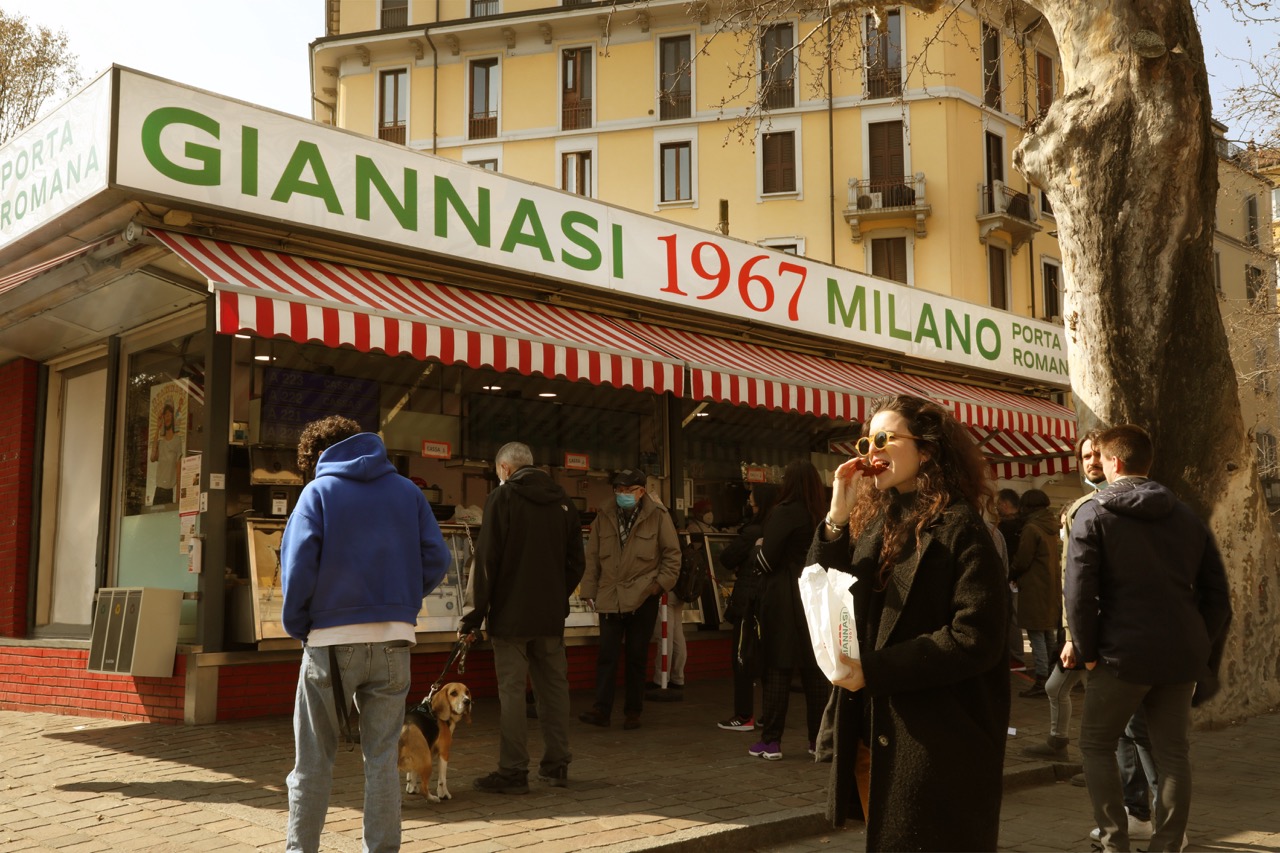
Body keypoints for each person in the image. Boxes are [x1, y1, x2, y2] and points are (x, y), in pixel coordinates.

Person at [812, 394, 1010, 851]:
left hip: (934, 737)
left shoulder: (961, 527)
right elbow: (826, 588)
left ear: (926, 449)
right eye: (866, 442)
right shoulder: (877, 519)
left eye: (884, 439)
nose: (871, 453)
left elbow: (976, 638)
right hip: (873, 728)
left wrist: (875, 671)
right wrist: (836, 519)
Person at [280, 416, 451, 853]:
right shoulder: (407, 492)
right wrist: (404, 600)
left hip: (330, 643)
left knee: (314, 762)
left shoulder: (317, 492)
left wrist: (299, 624)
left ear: (318, 455)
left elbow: (297, 567)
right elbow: (437, 556)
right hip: (395, 639)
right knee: (382, 760)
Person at [1065, 424, 1232, 853]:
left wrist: (1085, 651)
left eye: (1099, 458)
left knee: (1096, 743)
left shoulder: (1093, 512)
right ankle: (1167, 844)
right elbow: (1217, 596)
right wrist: (1199, 645)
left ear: (1114, 462)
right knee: (1173, 752)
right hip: (1179, 656)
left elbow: (1080, 592)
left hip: (1121, 654)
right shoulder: (1186, 515)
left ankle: (1114, 841)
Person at [459, 442, 585, 793]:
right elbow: (578, 560)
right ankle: (557, 764)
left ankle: (513, 771)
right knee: (555, 690)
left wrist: (472, 617)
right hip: (550, 617)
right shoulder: (563, 501)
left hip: (511, 617)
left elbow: (485, 563)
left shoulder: (503, 499)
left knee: (512, 693)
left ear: (505, 469)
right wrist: (557, 593)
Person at [1023, 429, 1104, 760]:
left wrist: (1075, 635)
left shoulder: (1103, 507)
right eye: (1086, 456)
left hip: (1099, 625)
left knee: (1101, 699)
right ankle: (1060, 744)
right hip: (1078, 623)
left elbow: (1087, 576)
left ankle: (1100, 763)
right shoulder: (1081, 508)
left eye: (1098, 454)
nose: (1092, 462)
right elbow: (1072, 574)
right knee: (1056, 687)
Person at [578, 468, 681, 730]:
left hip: (643, 596)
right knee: (606, 655)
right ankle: (601, 709)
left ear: (641, 491)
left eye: (627, 490)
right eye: (618, 490)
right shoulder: (604, 515)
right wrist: (589, 590)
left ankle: (633, 711)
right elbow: (593, 557)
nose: (622, 494)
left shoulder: (658, 516)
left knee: (636, 656)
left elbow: (672, 555)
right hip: (610, 595)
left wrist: (658, 586)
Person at [748, 460, 831, 762]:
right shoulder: (823, 516)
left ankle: (771, 742)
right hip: (815, 596)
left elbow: (767, 561)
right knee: (815, 671)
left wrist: (758, 547)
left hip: (784, 597)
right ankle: (819, 740)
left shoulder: (785, 512)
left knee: (778, 669)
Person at [714, 482, 780, 731]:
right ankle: (768, 715)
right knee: (767, 663)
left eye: (751, 498)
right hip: (772, 603)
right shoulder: (778, 528)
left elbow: (727, 558)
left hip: (748, 601)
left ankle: (744, 716)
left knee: (742, 658)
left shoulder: (752, 531)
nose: (748, 502)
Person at [647, 499, 715, 693]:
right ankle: (678, 677)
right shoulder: (678, 536)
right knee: (677, 636)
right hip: (679, 593)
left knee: (664, 637)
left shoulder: (662, 538)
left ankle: (662, 679)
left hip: (666, 591)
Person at [1009, 488, 1062, 698]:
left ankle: (1041, 679)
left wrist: (1011, 572)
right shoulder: (1050, 526)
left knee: (1036, 636)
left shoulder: (1032, 528)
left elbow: (1022, 559)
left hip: (1033, 587)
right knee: (1048, 633)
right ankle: (1051, 677)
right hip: (1050, 587)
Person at [997, 487, 1028, 672]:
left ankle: (1016, 658)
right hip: (1026, 579)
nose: (996, 508)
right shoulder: (1027, 524)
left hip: (1012, 578)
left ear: (1005, 504)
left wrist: (1011, 574)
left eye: (998, 504)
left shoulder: (1006, 527)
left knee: (1012, 618)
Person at [149, 402, 182, 505]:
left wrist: (178, 500)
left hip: (169, 492)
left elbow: (179, 471)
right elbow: (152, 457)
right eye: (165, 414)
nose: (167, 417)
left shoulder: (177, 441)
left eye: (169, 414)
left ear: (173, 417)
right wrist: (157, 428)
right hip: (158, 490)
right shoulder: (161, 442)